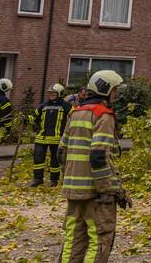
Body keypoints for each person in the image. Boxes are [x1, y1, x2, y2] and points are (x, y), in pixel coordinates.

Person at [58, 71, 131, 263]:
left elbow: (61, 151)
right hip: (95, 193)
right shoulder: (103, 115)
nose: (116, 95)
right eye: (115, 90)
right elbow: (99, 158)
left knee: (73, 240)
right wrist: (112, 190)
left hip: (73, 191)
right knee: (98, 239)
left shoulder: (75, 112)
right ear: (106, 89)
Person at [30, 83, 70, 187]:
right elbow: (34, 116)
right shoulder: (43, 105)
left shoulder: (66, 106)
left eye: (53, 93)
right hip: (42, 137)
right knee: (38, 158)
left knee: (55, 160)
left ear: (60, 93)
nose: (51, 94)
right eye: (50, 93)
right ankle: (37, 179)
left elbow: (74, 116)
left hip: (57, 138)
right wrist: (25, 119)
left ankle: (54, 180)